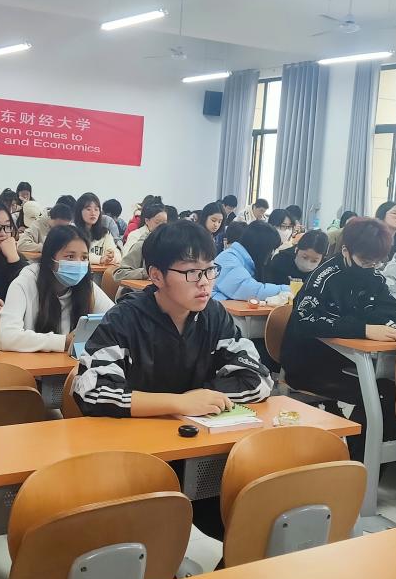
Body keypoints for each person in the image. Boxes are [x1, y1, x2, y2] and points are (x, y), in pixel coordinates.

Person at [74, 220, 273, 539]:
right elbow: (91, 391)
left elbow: (258, 378)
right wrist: (180, 402)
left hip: (199, 447)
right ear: (156, 276)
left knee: (255, 515)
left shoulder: (214, 315)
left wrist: (205, 398)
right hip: (135, 456)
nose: (204, 283)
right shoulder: (125, 319)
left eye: (209, 270)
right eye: (191, 272)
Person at [280, 217, 396, 456]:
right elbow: (306, 320)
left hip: (352, 362)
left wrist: (390, 325)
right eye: (365, 261)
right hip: (309, 364)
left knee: (395, 392)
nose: (370, 267)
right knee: (375, 397)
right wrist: (364, 329)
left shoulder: (373, 275)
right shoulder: (324, 276)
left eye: (376, 262)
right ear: (346, 251)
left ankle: (375, 460)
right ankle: (359, 461)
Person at [0, 225, 114, 352]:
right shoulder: (25, 283)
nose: (79, 263)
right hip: (28, 363)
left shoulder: (87, 287)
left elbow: (115, 317)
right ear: (50, 259)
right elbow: (7, 337)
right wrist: (64, 342)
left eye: (84, 258)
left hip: (69, 363)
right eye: (70, 257)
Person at [212, 221, 289, 301]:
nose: (272, 253)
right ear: (260, 246)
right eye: (271, 249)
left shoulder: (245, 260)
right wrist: (286, 289)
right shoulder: (229, 258)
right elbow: (252, 291)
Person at [74, 192, 120, 265]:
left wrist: (111, 257)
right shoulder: (72, 232)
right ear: (79, 211)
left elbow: (118, 256)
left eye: (96, 209)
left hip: (100, 272)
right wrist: (100, 259)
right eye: (88, 209)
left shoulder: (105, 233)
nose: (93, 213)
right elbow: (76, 256)